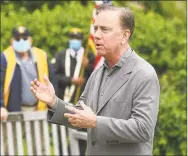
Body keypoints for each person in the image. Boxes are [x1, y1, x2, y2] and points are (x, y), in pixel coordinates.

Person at [30, 4, 160, 155]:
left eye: (105, 30)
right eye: (96, 28)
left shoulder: (144, 73)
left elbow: (143, 129)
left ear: (125, 36)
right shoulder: (98, 72)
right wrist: (53, 102)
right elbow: (81, 115)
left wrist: (95, 122)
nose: (97, 35)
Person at [51, 27, 95, 155]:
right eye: (73, 38)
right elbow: (55, 76)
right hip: (63, 101)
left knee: (80, 136)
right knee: (60, 136)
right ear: (69, 39)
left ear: (81, 40)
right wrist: (71, 80)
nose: (75, 41)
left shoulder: (89, 56)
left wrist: (89, 66)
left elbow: (96, 77)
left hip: (81, 104)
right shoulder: (61, 55)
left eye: (77, 39)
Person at [0, 25, 55, 120]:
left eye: (24, 38)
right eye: (17, 38)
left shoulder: (41, 55)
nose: (21, 41)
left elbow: (52, 80)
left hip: (38, 110)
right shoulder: (5, 57)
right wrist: (1, 107)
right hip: (13, 112)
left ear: (30, 40)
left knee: (38, 135)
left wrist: (52, 103)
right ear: (11, 41)